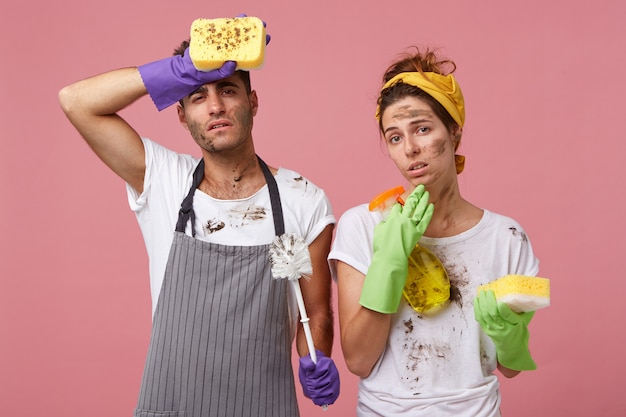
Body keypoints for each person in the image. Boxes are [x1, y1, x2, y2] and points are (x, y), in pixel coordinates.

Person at [58, 17, 340, 417]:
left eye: (227, 90)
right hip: (170, 407)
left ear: (253, 102)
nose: (215, 106)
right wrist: (179, 70)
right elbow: (76, 101)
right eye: (196, 95)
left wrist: (319, 357)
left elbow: (316, 314)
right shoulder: (162, 180)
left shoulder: (304, 199)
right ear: (181, 115)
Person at [328, 47, 540, 416]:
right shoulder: (363, 225)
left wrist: (511, 338)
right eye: (394, 137)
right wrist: (389, 263)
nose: (410, 149)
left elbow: (511, 367)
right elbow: (359, 361)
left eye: (422, 129)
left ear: (454, 133)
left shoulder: (506, 237)